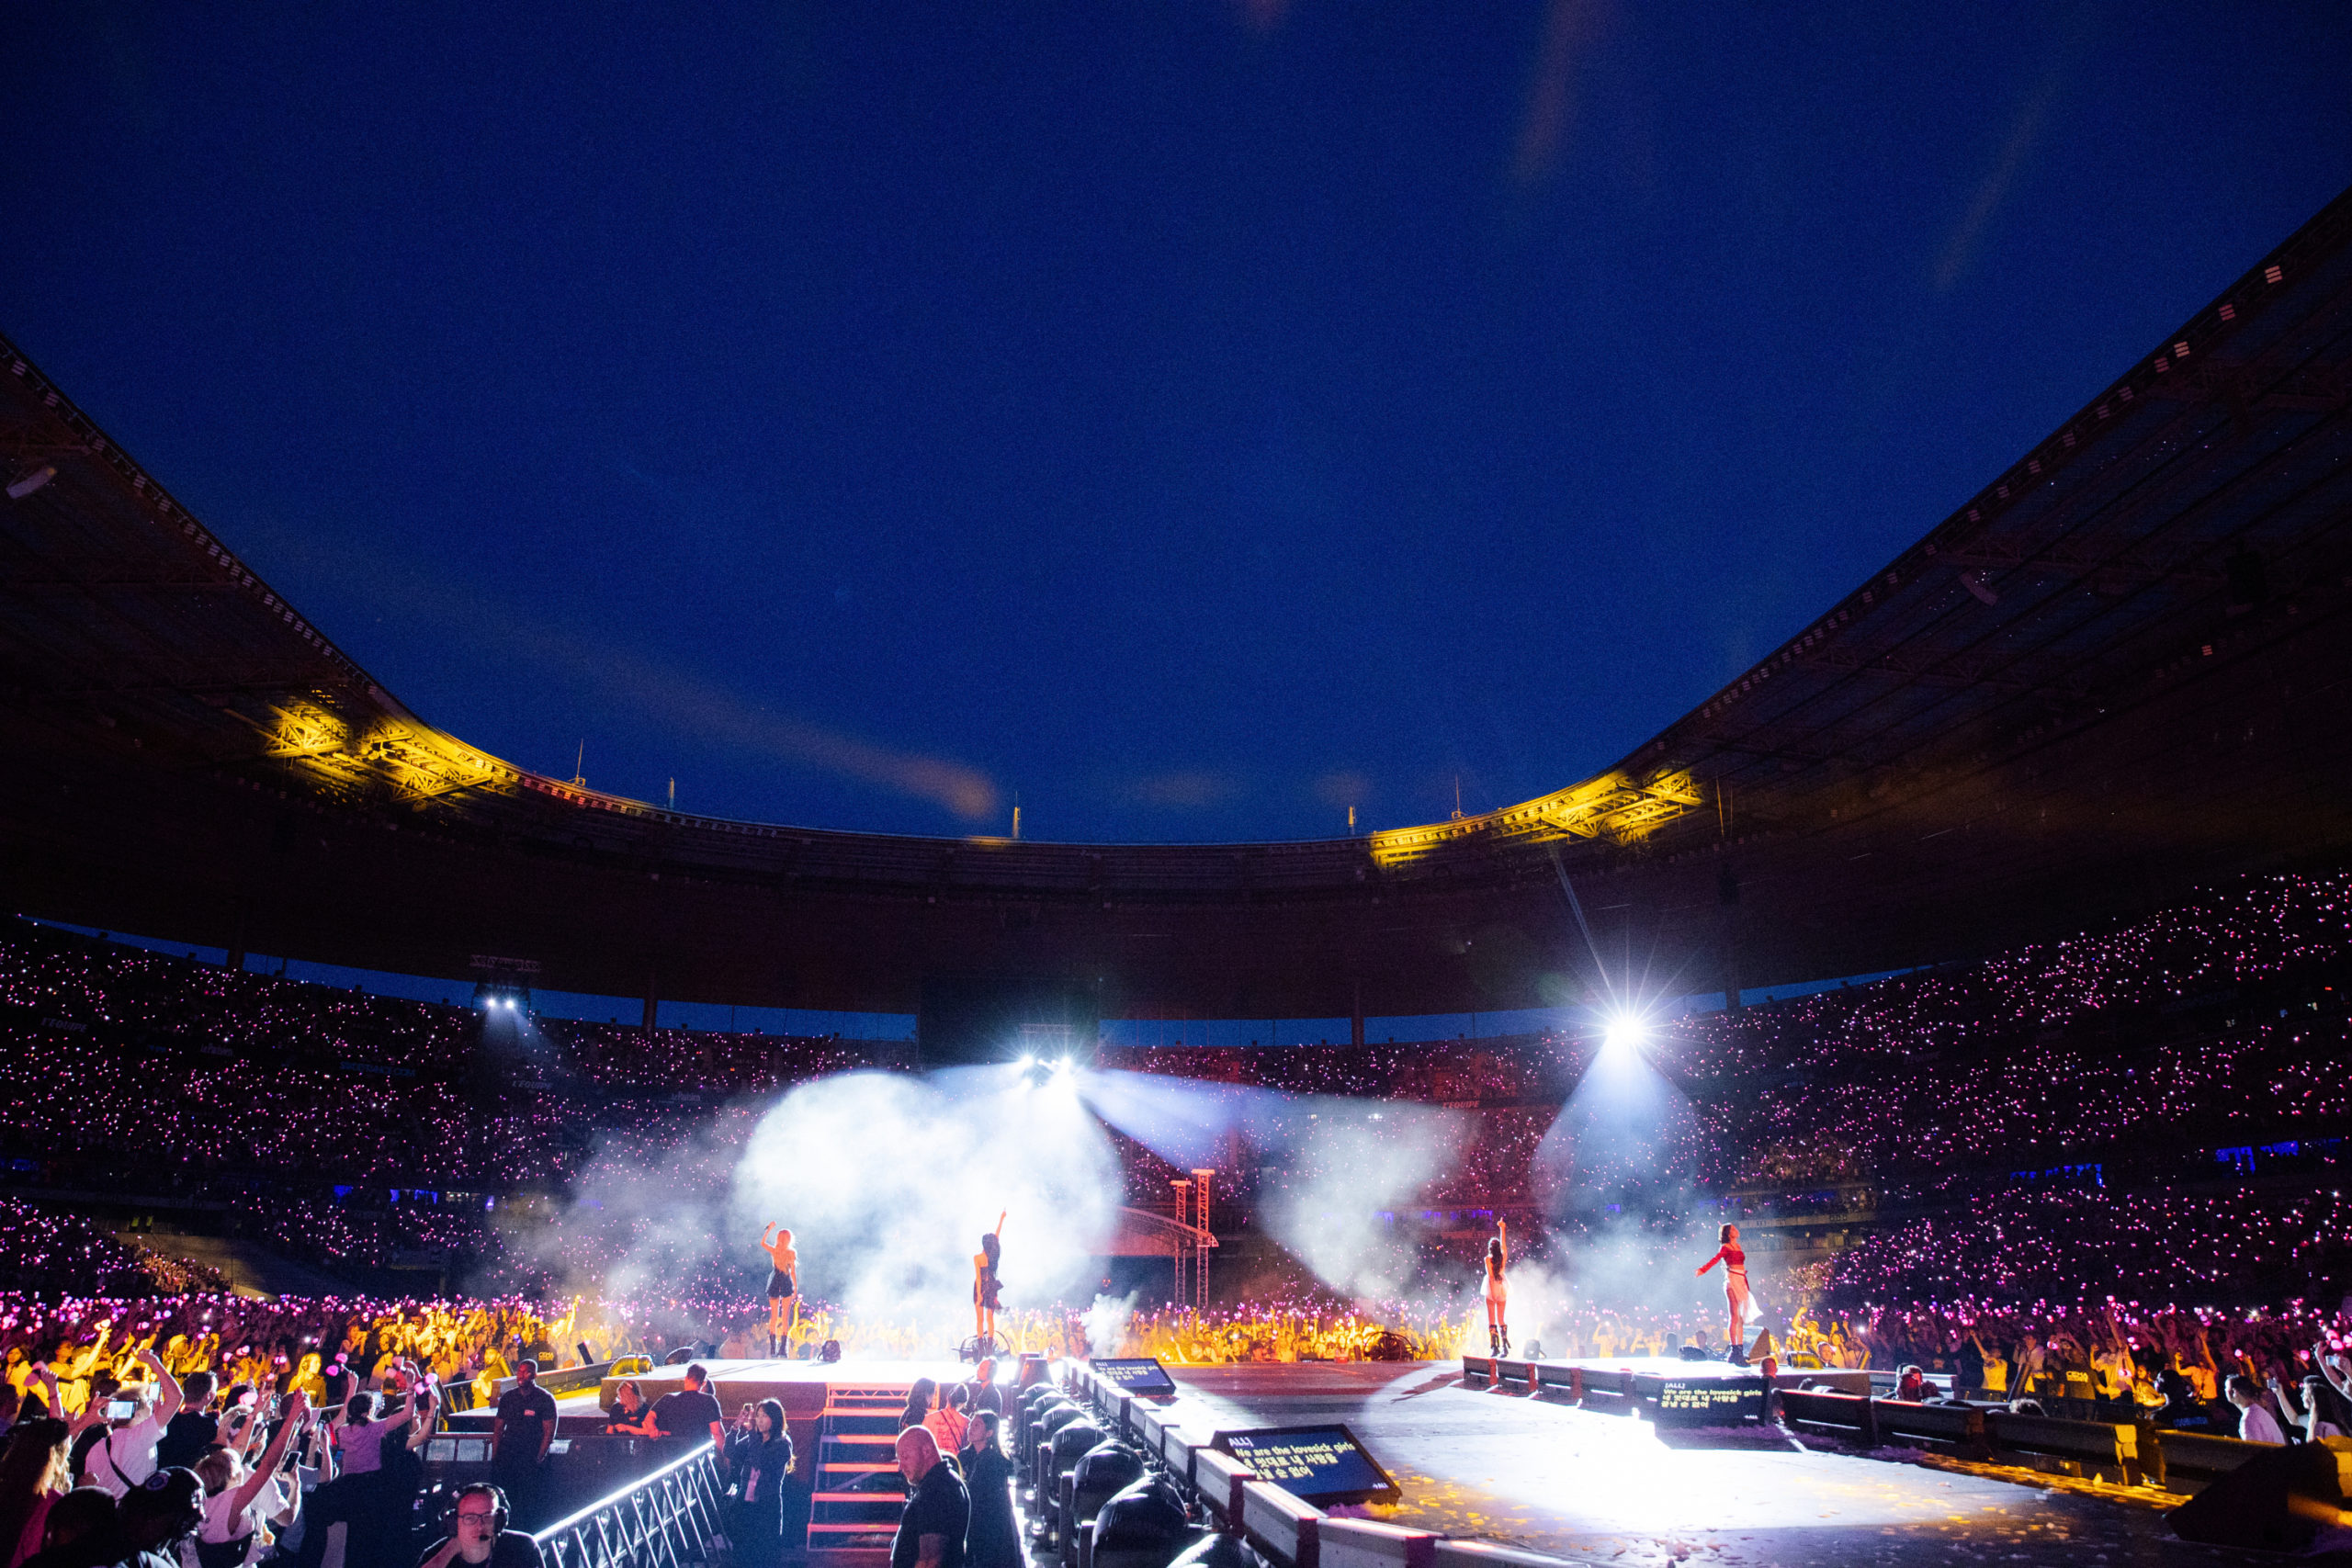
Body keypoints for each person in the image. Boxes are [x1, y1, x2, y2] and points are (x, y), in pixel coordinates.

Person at [190, 1389, 307, 1568]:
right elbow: (268, 1465)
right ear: (232, 1475)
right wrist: (290, 1421)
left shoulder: (200, 1497)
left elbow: (236, 1451)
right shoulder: (231, 1502)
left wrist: (254, 1413)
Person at [722, 1399, 792, 1568]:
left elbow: (760, 1460)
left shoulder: (782, 1443)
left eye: (764, 1416)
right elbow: (729, 1451)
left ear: (774, 1419)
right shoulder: (751, 1439)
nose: (759, 1420)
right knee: (742, 1553)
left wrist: (752, 1434)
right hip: (745, 1503)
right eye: (758, 1416)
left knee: (764, 1554)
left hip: (766, 1505)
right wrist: (735, 1427)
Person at [490, 1362, 557, 1533]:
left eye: (526, 1372)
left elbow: (549, 1433)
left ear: (534, 1375)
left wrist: (538, 1458)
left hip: (529, 1459)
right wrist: (495, 1456)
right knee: (507, 1498)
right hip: (508, 1457)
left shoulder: (544, 1399)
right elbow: (498, 1428)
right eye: (519, 1372)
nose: (521, 1375)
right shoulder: (509, 1398)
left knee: (528, 1502)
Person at [416, 1482, 544, 1568]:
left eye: (487, 1517)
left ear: (499, 1520)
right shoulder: (436, 1554)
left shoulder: (522, 1548)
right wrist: (448, 1552)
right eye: (470, 1518)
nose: (479, 1525)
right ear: (454, 1522)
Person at [890, 1427, 967, 1568]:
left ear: (926, 1451)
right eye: (899, 1459)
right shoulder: (946, 1482)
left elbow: (930, 1561)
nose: (900, 1467)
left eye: (905, 1457)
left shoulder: (935, 1492)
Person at [958, 1411, 1020, 1568]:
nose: (970, 1428)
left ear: (989, 1433)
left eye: (977, 1425)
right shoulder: (964, 1456)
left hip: (987, 1528)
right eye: (971, 1424)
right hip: (970, 1524)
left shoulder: (995, 1462)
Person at [1695, 1224, 1754, 1364]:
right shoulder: (1726, 1248)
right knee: (1734, 1316)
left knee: (1740, 1318)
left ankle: (1739, 1349)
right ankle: (1735, 1350)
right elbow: (1716, 1259)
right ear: (1728, 1233)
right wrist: (1703, 1270)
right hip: (1732, 1280)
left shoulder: (1738, 1247)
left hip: (1741, 1280)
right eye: (1733, 1229)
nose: (1736, 1230)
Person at [151, 1372, 218, 1474]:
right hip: (182, 1480)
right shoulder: (208, 1426)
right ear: (209, 1396)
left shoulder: (167, 1417)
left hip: (155, 1475)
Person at [648, 1367, 724, 1448]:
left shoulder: (668, 1398)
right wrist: (725, 1457)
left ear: (686, 1379)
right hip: (698, 1452)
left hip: (670, 1452)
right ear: (704, 1383)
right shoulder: (709, 1401)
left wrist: (653, 1430)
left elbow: (649, 1417)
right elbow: (716, 1432)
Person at [759, 1226, 799, 1359]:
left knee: (774, 1316)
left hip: (776, 1281)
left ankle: (773, 1348)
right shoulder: (791, 1253)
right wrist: (795, 1288)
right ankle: (782, 1349)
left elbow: (762, 1243)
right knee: (785, 1316)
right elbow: (792, 1272)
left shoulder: (775, 1250)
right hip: (786, 1281)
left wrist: (768, 1229)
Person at [972, 1214, 1006, 1353]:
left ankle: (981, 1349)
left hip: (981, 1288)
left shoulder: (977, 1258)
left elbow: (979, 1278)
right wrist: (1001, 1219)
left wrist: (980, 1295)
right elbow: (997, 1235)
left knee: (980, 1319)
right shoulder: (993, 1258)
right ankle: (989, 1349)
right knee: (989, 1319)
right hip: (992, 1287)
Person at [2225, 1374, 2286, 1444]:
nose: (2225, 1390)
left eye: (2226, 1388)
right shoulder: (2259, 1412)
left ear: (2234, 1392)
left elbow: (2253, 1451)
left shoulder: (2248, 1419)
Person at [1482, 1221, 1510, 1359]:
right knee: (1501, 1319)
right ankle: (1504, 1346)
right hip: (1502, 1288)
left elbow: (1491, 1277)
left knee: (1492, 1319)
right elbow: (1504, 1243)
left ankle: (1495, 1347)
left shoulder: (1488, 1259)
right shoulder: (1503, 1257)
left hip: (1492, 1288)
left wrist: (1492, 1294)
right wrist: (1502, 1229)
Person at [924, 1385, 969, 1461]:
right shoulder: (967, 1422)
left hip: (934, 1464)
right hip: (955, 1465)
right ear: (964, 1403)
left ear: (948, 1397)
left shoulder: (929, 1419)